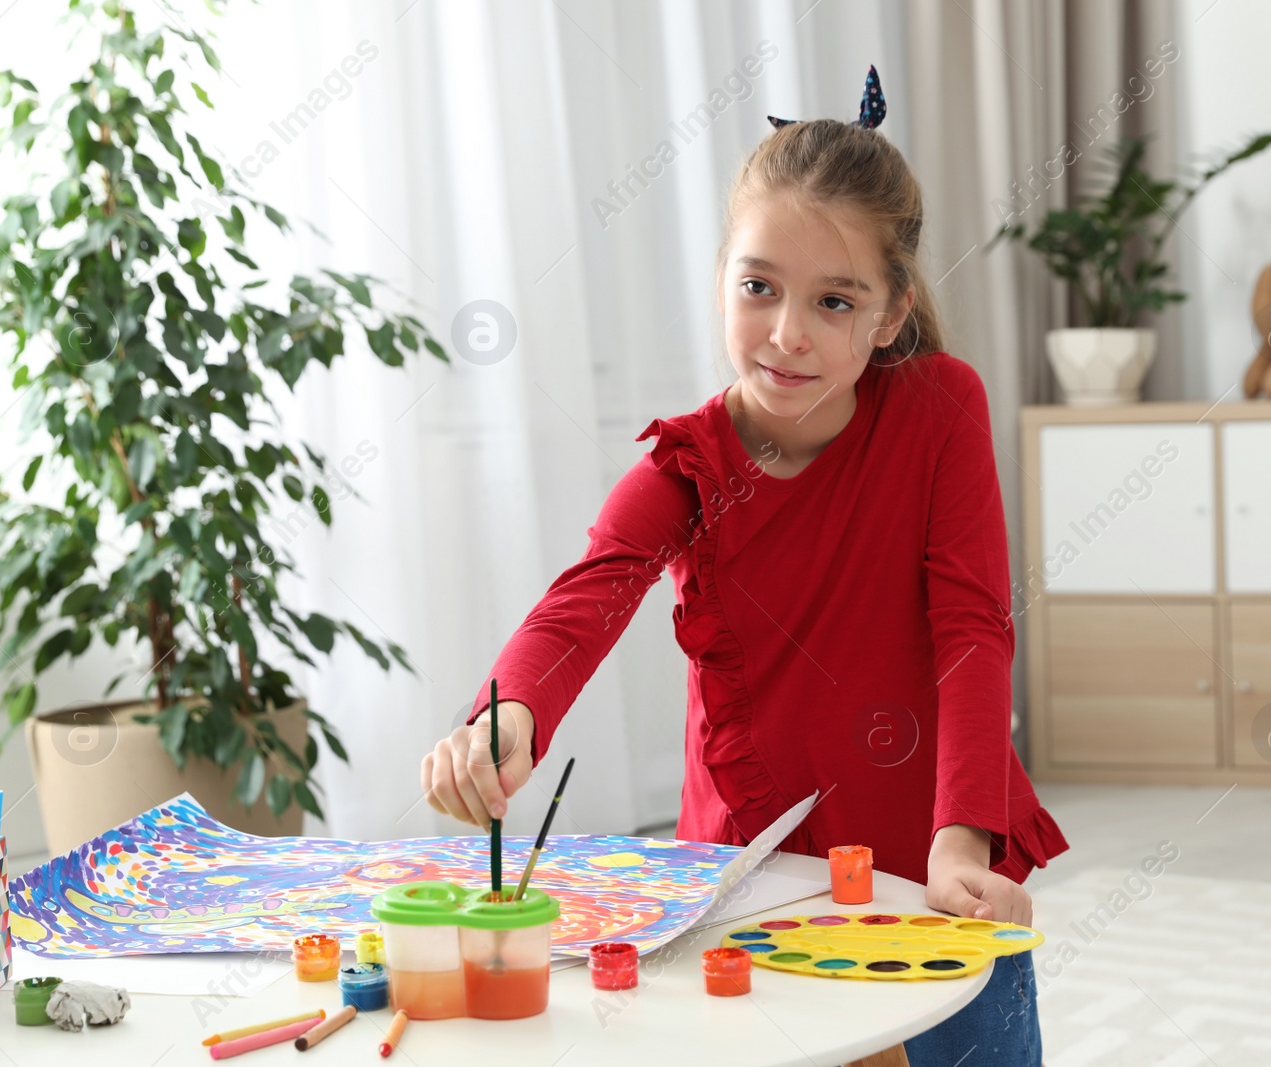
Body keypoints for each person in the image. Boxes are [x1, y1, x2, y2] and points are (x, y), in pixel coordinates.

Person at [421, 65, 1067, 1066]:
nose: (786, 334)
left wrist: (960, 840)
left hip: (934, 841)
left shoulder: (941, 406)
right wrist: (506, 710)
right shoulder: (688, 464)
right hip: (756, 869)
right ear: (722, 273)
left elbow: (973, 628)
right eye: (758, 286)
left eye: (834, 300)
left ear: (889, 313)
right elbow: (586, 597)